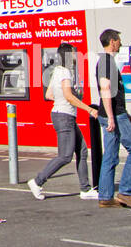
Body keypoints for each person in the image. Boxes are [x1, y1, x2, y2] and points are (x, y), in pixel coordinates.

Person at [28, 43, 100, 201]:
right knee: (65, 156)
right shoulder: (65, 72)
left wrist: (67, 96)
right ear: (68, 55)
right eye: (74, 54)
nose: (76, 57)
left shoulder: (56, 71)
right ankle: (37, 181)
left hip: (63, 115)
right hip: (64, 117)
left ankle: (85, 189)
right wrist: (89, 109)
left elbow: (49, 94)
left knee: (81, 151)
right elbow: (68, 96)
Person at [95, 29, 131, 210]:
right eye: (119, 40)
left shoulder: (105, 61)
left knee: (110, 155)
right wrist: (111, 117)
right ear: (113, 41)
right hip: (115, 114)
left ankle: (106, 196)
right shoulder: (107, 62)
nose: (121, 43)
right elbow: (105, 88)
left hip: (111, 113)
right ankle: (126, 193)